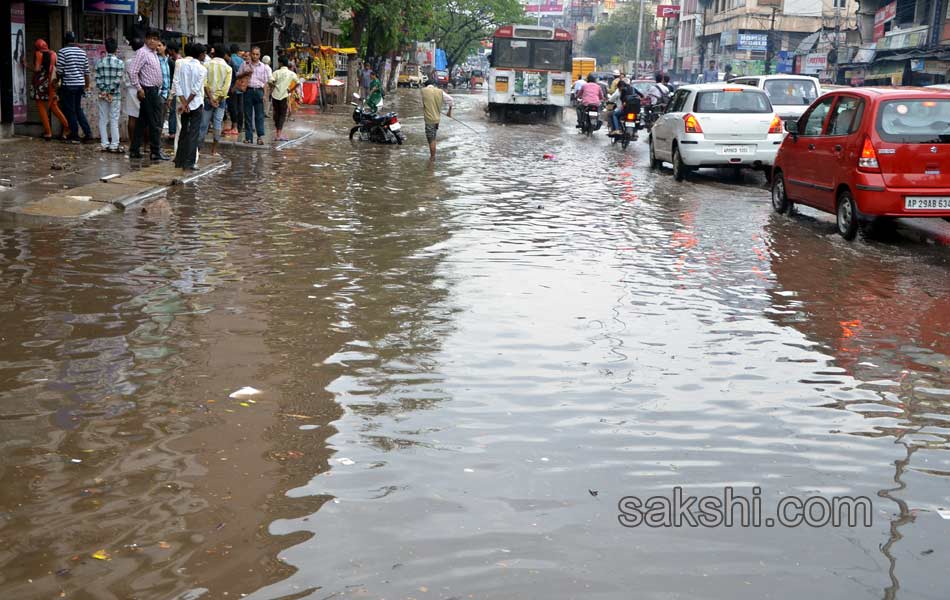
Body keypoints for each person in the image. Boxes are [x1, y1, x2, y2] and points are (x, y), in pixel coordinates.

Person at [128, 30, 170, 160]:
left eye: (155, 39)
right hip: (148, 90)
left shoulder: (153, 53)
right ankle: (155, 151)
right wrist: (139, 88)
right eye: (150, 38)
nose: (152, 41)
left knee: (142, 122)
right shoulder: (143, 52)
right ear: (146, 39)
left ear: (158, 41)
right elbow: (132, 71)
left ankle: (135, 149)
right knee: (155, 122)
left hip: (153, 90)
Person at [174, 43, 207, 171]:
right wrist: (186, 103)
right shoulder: (202, 69)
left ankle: (179, 161)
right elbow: (196, 89)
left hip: (185, 103)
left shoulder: (182, 66)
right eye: (204, 53)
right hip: (196, 104)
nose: (205, 56)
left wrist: (183, 103)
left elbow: (177, 83)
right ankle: (189, 163)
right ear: (200, 54)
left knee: (183, 131)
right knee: (194, 133)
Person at [56, 31, 93, 144]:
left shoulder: (62, 52)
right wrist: (86, 86)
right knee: (78, 109)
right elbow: (86, 71)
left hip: (69, 85)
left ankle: (74, 136)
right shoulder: (82, 53)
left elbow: (59, 71)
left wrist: (57, 81)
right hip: (80, 84)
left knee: (70, 111)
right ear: (74, 40)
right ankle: (88, 134)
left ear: (65, 40)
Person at [30, 38, 70, 141]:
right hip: (52, 83)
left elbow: (37, 69)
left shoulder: (38, 54)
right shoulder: (53, 53)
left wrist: (26, 65)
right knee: (54, 107)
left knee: (41, 107)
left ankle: (48, 132)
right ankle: (67, 127)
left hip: (40, 83)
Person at [200, 43, 232, 155]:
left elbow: (204, 83)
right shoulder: (228, 68)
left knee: (203, 124)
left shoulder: (206, 65)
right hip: (220, 100)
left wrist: (210, 98)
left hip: (207, 98)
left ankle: (198, 150)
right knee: (217, 124)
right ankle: (213, 151)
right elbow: (225, 88)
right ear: (225, 54)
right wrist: (217, 100)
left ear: (213, 53)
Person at [95, 37, 124, 153]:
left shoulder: (99, 62)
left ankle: (104, 143)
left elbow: (98, 80)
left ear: (105, 48)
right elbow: (118, 80)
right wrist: (110, 92)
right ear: (116, 49)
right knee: (114, 119)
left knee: (103, 119)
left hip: (102, 95)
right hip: (115, 95)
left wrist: (105, 91)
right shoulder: (120, 63)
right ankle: (114, 144)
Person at [237, 46, 270, 144]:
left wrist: (265, 95)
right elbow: (237, 75)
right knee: (247, 115)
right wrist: (245, 73)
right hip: (248, 91)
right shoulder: (245, 64)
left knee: (259, 115)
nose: (255, 56)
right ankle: (248, 137)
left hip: (259, 91)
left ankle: (260, 137)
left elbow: (265, 82)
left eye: (257, 54)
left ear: (260, 55)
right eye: (253, 54)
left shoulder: (264, 67)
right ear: (250, 54)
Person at [269, 55, 297, 142]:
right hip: (284, 96)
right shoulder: (292, 73)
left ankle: (278, 133)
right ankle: (279, 134)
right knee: (282, 115)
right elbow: (298, 83)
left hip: (275, 95)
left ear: (280, 63)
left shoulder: (276, 72)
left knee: (276, 114)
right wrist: (290, 90)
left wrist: (274, 86)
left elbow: (270, 81)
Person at [421, 83, 452, 160]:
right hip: (437, 120)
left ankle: (432, 158)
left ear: (426, 86)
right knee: (433, 138)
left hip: (429, 120)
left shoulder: (423, 91)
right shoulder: (440, 91)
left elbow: (421, 105)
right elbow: (451, 100)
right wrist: (449, 112)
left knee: (431, 139)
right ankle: (433, 156)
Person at [225, 44, 244, 136]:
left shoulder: (229, 60)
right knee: (240, 108)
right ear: (237, 51)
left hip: (232, 87)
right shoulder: (241, 60)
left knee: (233, 107)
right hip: (241, 88)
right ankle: (239, 127)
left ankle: (234, 127)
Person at [157, 40, 172, 139]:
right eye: (157, 46)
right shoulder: (155, 59)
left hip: (166, 94)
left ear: (165, 47)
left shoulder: (167, 60)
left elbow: (168, 79)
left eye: (160, 45)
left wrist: (169, 95)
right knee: (158, 121)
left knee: (161, 120)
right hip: (159, 93)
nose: (158, 47)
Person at [164, 41, 180, 139]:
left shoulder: (174, 61)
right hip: (174, 89)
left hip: (174, 89)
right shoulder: (175, 60)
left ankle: (172, 132)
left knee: (173, 110)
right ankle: (173, 131)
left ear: (172, 51)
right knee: (173, 110)